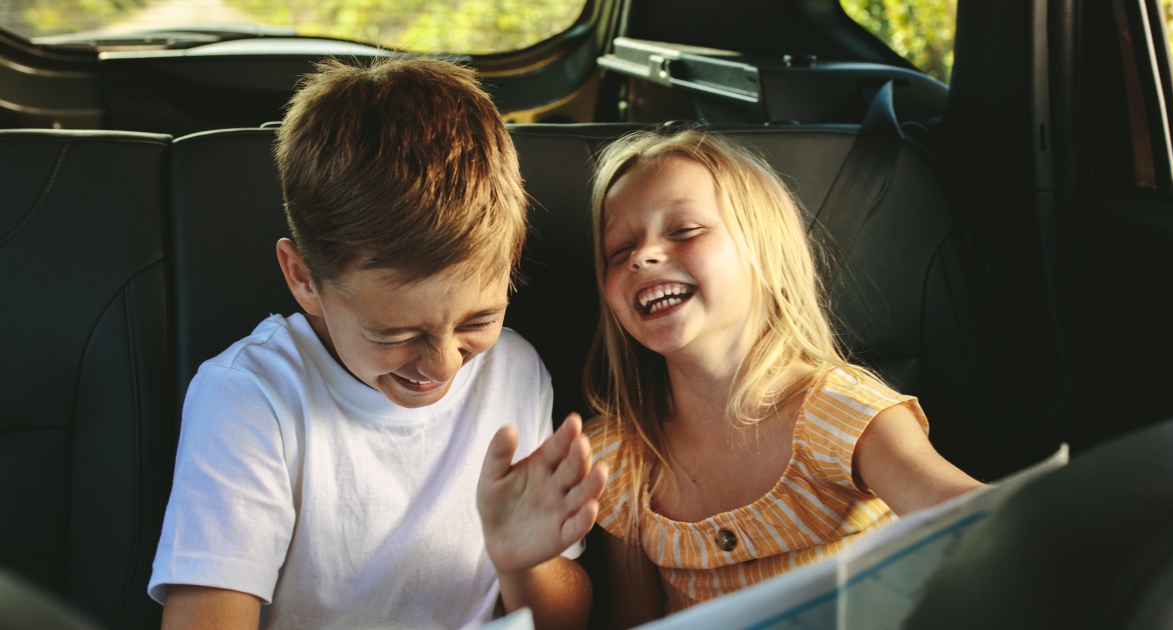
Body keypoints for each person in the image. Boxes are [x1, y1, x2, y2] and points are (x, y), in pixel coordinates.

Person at [148, 57, 606, 630]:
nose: (443, 365)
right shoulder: (250, 399)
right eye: (395, 334)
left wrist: (523, 564)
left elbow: (565, 621)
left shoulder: (514, 371)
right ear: (303, 280)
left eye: (476, 320)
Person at [581, 128, 983, 627]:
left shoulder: (838, 412)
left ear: (764, 254)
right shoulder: (620, 457)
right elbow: (637, 622)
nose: (642, 256)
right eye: (619, 250)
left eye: (683, 230)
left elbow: (975, 523)